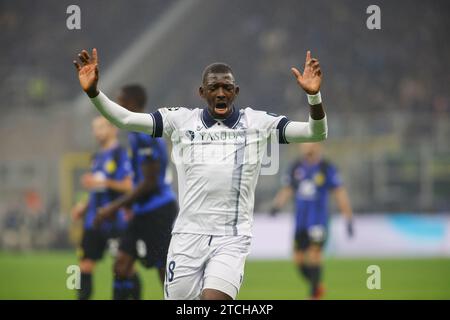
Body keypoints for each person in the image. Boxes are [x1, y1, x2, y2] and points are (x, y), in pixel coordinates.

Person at [73, 48, 328, 300]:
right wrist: (94, 92)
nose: (220, 92)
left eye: (227, 87)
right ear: (202, 92)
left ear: (235, 92)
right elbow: (126, 120)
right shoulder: (181, 121)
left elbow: (315, 133)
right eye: (213, 87)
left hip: (232, 237)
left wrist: (314, 96)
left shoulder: (258, 123)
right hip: (187, 236)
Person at [94, 84, 178, 300]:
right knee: (121, 265)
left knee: (163, 269)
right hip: (142, 210)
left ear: (131, 104)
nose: (116, 105)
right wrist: (128, 205)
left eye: (120, 101)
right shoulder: (135, 134)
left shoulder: (146, 134)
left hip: (159, 211)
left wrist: (115, 206)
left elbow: (150, 182)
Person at [270, 142, 354, 299]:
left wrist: (348, 218)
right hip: (300, 221)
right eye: (305, 144)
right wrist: (277, 205)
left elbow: (340, 193)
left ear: (319, 146)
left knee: (315, 255)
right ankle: (317, 286)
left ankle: (314, 294)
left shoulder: (326, 168)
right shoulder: (296, 167)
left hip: (318, 221)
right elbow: (288, 188)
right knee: (298, 259)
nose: (308, 147)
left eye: (312, 144)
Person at [71, 116, 133, 300]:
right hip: (93, 221)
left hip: (115, 221)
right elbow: (96, 190)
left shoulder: (120, 154)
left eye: (101, 127)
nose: (97, 131)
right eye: (94, 128)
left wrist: (103, 181)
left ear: (114, 129)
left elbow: (129, 186)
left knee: (125, 268)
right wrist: (83, 207)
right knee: (85, 266)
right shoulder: (96, 157)